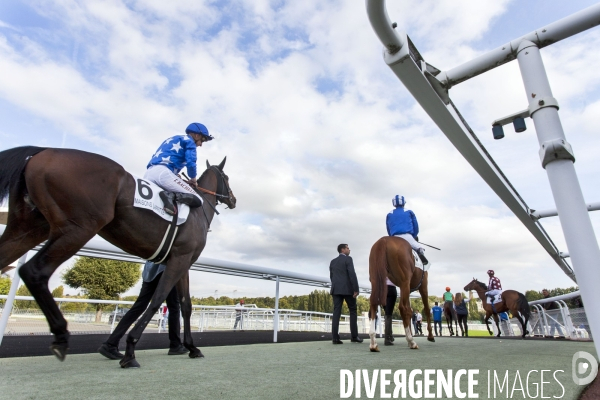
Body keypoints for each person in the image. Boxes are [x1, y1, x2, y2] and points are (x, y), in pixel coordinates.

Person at [98, 261, 186, 359]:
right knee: (174, 306)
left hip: (150, 271)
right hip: (167, 270)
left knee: (140, 305)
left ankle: (111, 343)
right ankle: (175, 345)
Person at [145, 122, 214, 215]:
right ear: (197, 135)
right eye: (202, 140)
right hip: (163, 174)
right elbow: (191, 163)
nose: (201, 144)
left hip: (149, 173)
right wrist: (193, 180)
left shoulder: (173, 138)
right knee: (199, 200)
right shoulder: (190, 142)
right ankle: (170, 195)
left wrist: (176, 177)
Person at [329, 243, 362, 344]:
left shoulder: (333, 261)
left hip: (336, 289)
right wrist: (356, 288)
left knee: (336, 312)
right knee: (352, 310)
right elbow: (352, 273)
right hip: (348, 289)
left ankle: (335, 338)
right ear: (342, 250)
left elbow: (332, 276)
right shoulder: (348, 259)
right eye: (347, 248)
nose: (349, 250)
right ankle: (354, 336)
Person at [386, 195, 429, 266]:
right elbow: (415, 226)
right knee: (420, 248)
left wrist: (392, 238)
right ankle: (422, 260)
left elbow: (388, 228)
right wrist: (414, 236)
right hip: (407, 237)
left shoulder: (389, 214)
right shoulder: (409, 212)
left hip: (394, 238)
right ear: (403, 202)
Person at [384, 277, 397, 346]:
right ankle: (387, 338)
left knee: (386, 312)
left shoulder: (381, 267)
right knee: (388, 314)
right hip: (391, 288)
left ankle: (390, 335)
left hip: (382, 289)